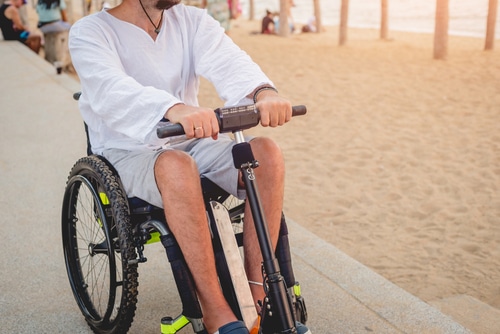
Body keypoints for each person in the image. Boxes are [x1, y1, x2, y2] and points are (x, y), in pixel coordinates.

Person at [68, 1, 310, 334]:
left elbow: (230, 61)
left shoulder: (190, 20)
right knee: (176, 166)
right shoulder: (90, 32)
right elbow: (111, 90)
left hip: (188, 141)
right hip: (126, 150)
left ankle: (258, 295)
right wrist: (174, 108)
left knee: (265, 154)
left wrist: (263, 93)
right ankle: (215, 309)